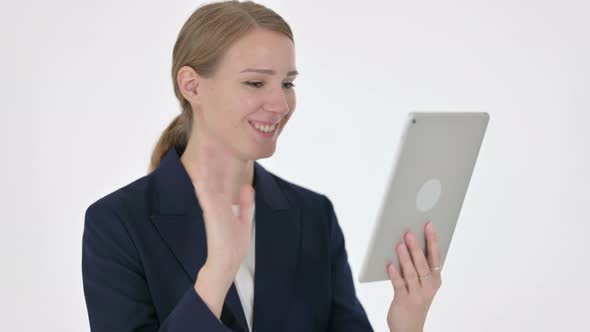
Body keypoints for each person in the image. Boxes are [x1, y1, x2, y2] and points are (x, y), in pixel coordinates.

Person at [81, 1, 443, 331]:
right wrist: (219, 270)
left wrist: (407, 323)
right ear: (192, 86)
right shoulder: (117, 223)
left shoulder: (313, 215)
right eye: (255, 82)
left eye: (287, 83)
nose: (281, 104)